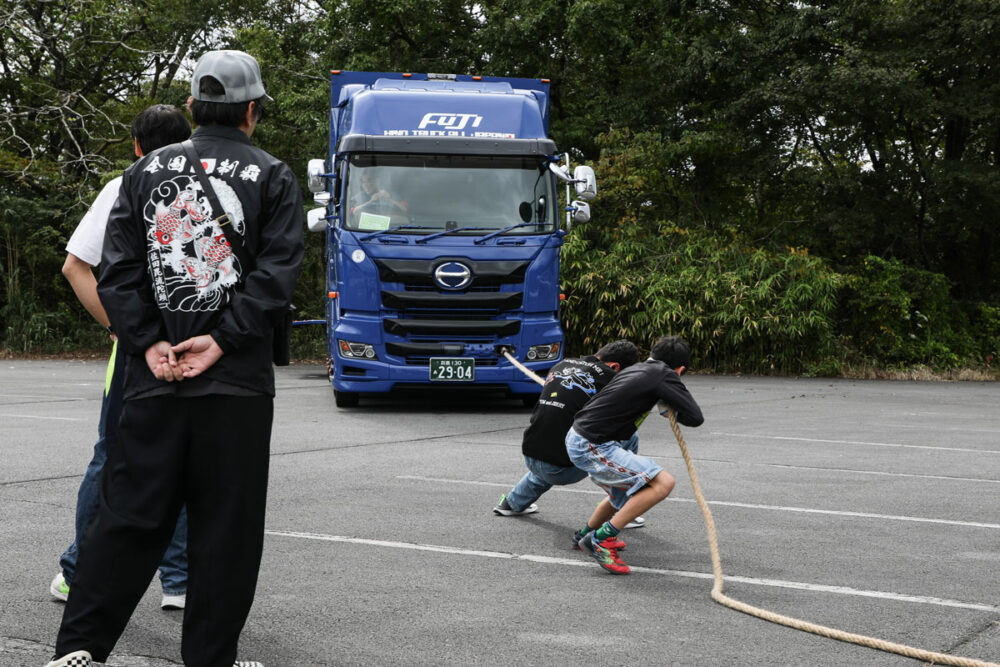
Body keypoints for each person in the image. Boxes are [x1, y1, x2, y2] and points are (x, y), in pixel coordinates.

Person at [47, 50, 304, 667]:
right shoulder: (272, 175)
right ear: (252, 111)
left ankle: (78, 650)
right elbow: (275, 276)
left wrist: (148, 341)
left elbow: (119, 273)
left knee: (126, 517)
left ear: (191, 107)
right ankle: (209, 658)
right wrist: (222, 339)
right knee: (225, 531)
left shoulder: (141, 174)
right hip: (235, 384)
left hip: (150, 379)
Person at [52, 104, 192, 613]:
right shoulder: (207, 182)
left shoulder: (123, 185)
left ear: (136, 146)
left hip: (138, 349)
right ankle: (178, 580)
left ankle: (79, 572)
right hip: (197, 345)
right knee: (183, 459)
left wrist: (120, 328)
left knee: (114, 458)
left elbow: (75, 266)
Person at [567, 335, 704, 575]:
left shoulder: (638, 368)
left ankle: (586, 533)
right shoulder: (664, 374)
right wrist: (670, 403)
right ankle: (601, 540)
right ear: (680, 369)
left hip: (579, 437)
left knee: (621, 490)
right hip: (593, 444)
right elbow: (695, 417)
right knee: (663, 483)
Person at [493, 340, 649, 535]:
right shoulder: (610, 377)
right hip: (562, 469)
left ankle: (512, 503)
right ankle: (622, 509)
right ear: (615, 367)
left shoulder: (562, 365)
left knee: (555, 447)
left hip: (531, 454)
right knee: (628, 437)